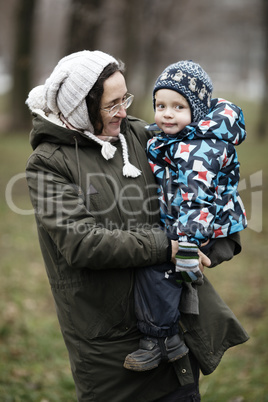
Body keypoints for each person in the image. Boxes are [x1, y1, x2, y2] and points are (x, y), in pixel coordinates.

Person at [25, 51, 248, 402]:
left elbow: (202, 177)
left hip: (175, 330)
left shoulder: (142, 138)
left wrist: (209, 243)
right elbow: (82, 243)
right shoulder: (49, 164)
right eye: (112, 104)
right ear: (81, 107)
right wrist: (167, 245)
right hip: (109, 347)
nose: (124, 111)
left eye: (124, 99)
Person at [124, 60, 247, 372]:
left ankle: (162, 340)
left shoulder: (199, 149)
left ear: (198, 111)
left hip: (206, 228)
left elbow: (197, 202)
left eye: (178, 107)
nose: (167, 113)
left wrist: (188, 247)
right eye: (160, 105)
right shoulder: (178, 137)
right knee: (163, 265)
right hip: (190, 223)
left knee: (160, 270)